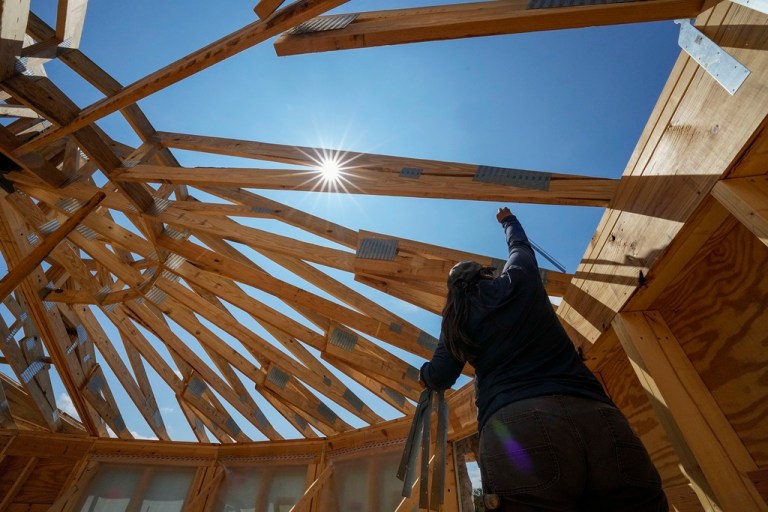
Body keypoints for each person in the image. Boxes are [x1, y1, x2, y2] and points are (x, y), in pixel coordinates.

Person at [419, 207, 668, 511]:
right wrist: (508, 220)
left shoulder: (457, 318)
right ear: (486, 273)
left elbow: (441, 375)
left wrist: (425, 376)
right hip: (596, 415)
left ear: (453, 290)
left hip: (518, 427)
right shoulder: (519, 281)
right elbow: (520, 247)